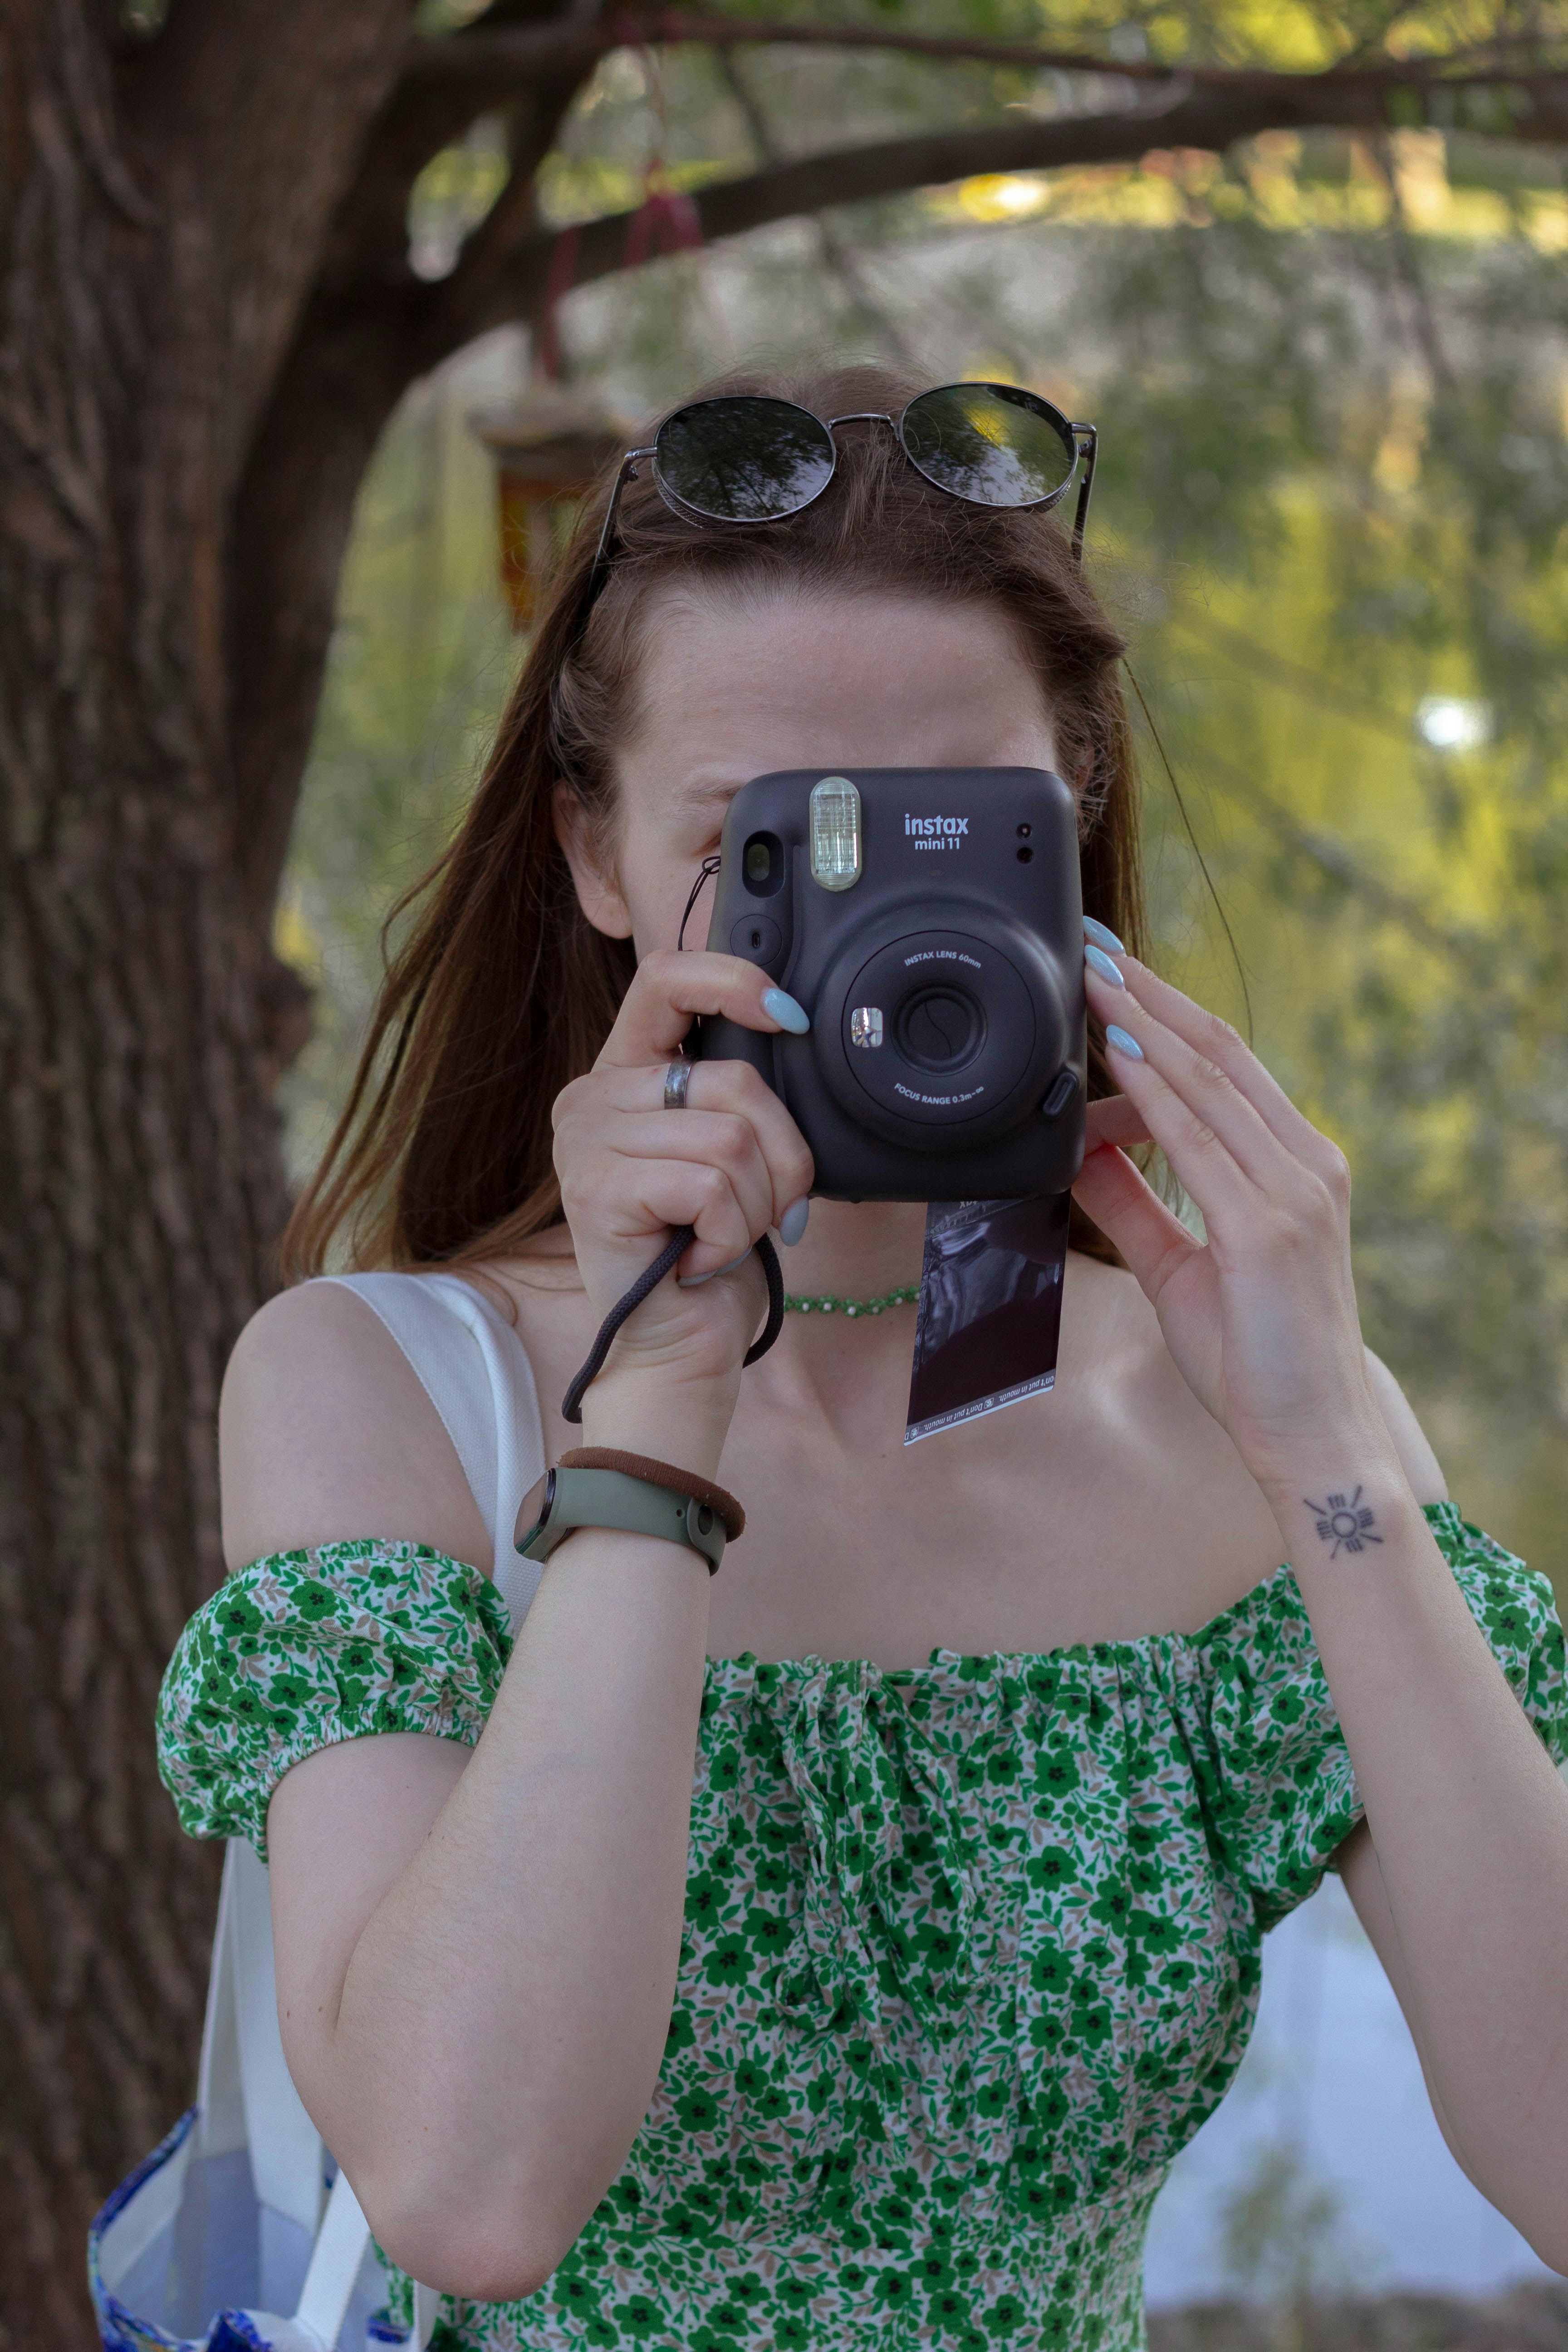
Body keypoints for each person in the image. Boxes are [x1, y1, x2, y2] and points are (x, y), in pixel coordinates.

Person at [157, 364, 1568, 2352]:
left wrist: (1321, 1431)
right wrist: (658, 1403)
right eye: (766, 847)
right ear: (592, 855)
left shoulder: (1220, 1419)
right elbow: (469, 2195)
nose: (878, 926)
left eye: (953, 827)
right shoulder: (380, 1389)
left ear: (1070, 816)